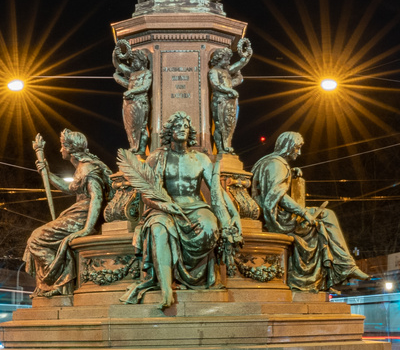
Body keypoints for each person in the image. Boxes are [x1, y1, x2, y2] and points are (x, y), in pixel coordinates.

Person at [120, 111, 241, 308]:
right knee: (158, 229)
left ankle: (193, 277)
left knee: (210, 227)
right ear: (169, 131)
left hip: (194, 205)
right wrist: (165, 205)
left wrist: (234, 213)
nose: (182, 129)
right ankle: (166, 290)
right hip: (163, 207)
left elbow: (216, 191)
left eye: (185, 126)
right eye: (177, 126)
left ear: (190, 131)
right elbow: (146, 194)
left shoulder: (201, 159)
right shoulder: (156, 158)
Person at [250, 131, 364, 293]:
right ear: (288, 147)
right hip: (277, 219)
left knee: (323, 218)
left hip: (271, 214)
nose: (299, 152)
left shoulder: (272, 162)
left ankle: (341, 269)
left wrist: (291, 172)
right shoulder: (277, 164)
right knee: (326, 216)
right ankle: (345, 266)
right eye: (297, 148)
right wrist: (304, 213)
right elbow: (278, 197)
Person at [21, 130, 112, 297]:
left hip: (82, 216)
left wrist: (87, 228)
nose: (60, 150)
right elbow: (68, 188)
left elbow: (97, 197)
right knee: (36, 238)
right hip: (78, 214)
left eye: (62, 146)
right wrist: (47, 173)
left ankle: (61, 280)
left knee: (36, 238)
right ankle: (57, 281)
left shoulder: (87, 169)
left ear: (70, 148)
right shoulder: (82, 168)